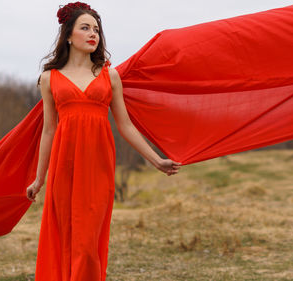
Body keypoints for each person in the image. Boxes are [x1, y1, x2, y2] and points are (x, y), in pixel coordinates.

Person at [24, 2, 181, 280]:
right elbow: (49, 130)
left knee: (87, 243)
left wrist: (156, 159)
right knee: (65, 237)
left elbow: (126, 126)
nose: (92, 33)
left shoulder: (111, 75)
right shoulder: (49, 78)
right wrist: (39, 180)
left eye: (96, 29)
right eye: (85, 27)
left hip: (98, 166)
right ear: (68, 35)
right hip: (64, 166)